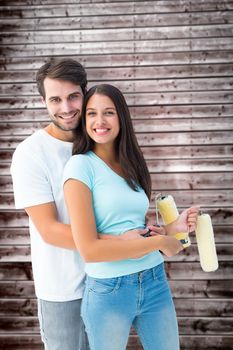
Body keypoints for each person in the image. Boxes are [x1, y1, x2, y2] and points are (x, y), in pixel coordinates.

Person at [10, 58, 164, 350]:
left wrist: (157, 232)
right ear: (43, 101)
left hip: (114, 280)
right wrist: (120, 243)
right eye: (55, 99)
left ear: (85, 93)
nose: (66, 108)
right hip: (65, 288)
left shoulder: (101, 139)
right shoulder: (31, 153)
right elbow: (50, 230)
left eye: (72, 96)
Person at [63, 84, 200, 350]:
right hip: (108, 290)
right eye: (91, 113)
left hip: (154, 281)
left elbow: (134, 230)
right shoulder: (80, 166)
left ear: (121, 117)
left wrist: (172, 229)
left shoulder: (132, 164)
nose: (99, 121)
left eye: (109, 113)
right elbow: (89, 249)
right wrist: (160, 244)